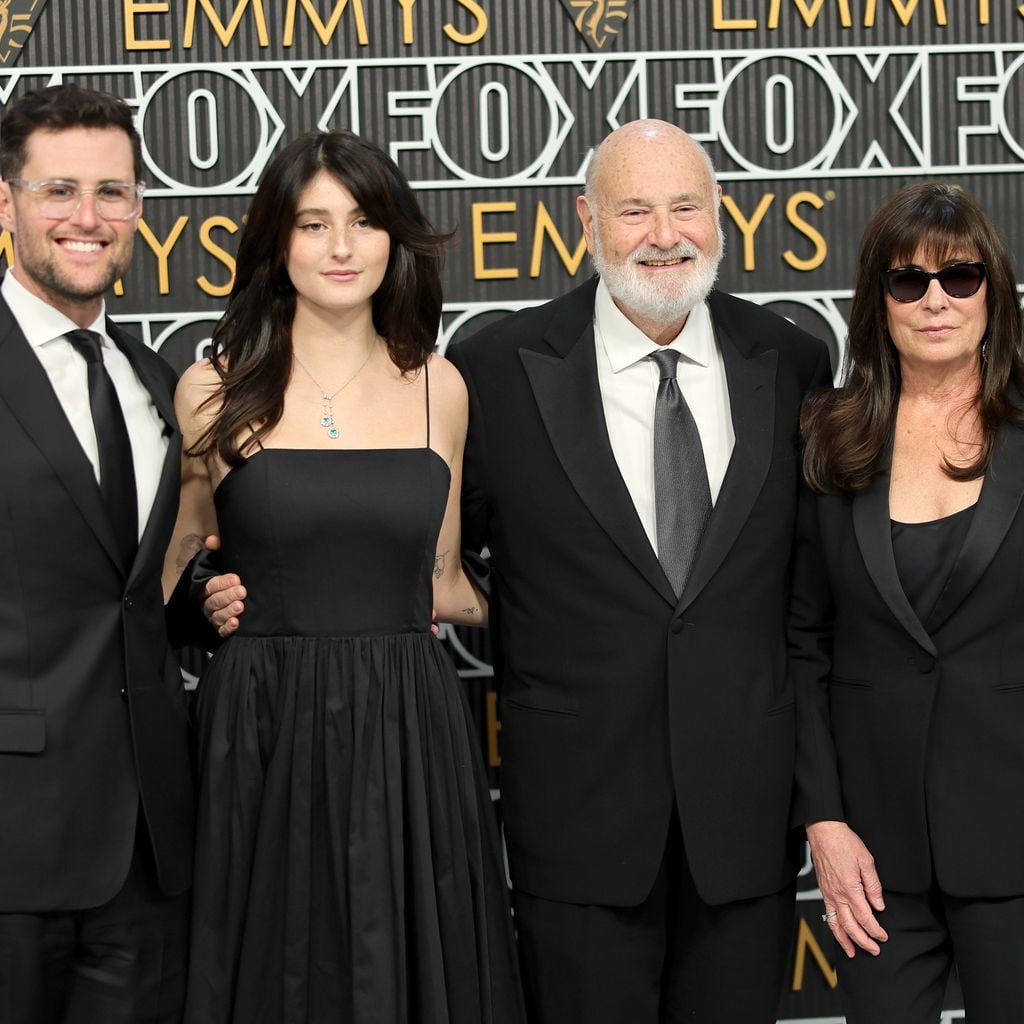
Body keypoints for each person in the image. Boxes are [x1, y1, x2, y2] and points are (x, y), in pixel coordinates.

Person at [208, 118, 831, 1022]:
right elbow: (420, 548)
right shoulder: (493, 371)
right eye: (635, 210)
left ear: (720, 214)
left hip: (747, 822)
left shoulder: (791, 360)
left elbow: (809, 600)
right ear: (586, 221)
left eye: (686, 206)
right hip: (574, 821)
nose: (664, 235)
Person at [164, 129, 525, 1024]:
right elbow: (173, 574)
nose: (340, 247)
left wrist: (585, 612)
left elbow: (444, 582)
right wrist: (200, 600)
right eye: (313, 223)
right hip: (262, 720)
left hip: (409, 723)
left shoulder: (441, 385)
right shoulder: (210, 389)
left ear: (393, 238)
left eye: (363, 222)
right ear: (276, 242)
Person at [792, 181, 1024, 1023]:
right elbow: (802, 641)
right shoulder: (831, 436)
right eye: (908, 281)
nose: (935, 300)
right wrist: (823, 819)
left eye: (959, 277)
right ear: (878, 301)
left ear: (992, 294)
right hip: (873, 853)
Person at [0, 84, 193, 1022]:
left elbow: (128, 588)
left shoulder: (153, 379)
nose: (88, 217)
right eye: (59, 191)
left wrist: (205, 601)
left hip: (149, 849)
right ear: (7, 204)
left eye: (112, 192)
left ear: (138, 209)